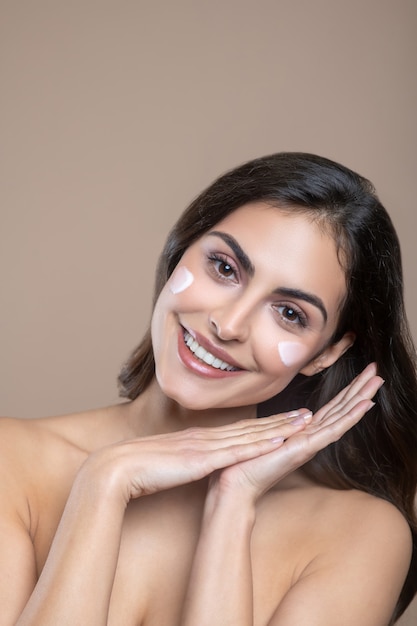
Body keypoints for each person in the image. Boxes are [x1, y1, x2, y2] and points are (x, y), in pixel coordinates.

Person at [1, 152, 416, 626]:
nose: (228, 324)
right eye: (224, 267)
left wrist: (233, 504)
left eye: (289, 313)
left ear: (326, 353)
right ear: (180, 249)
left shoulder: (358, 533)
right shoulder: (10, 460)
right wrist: (104, 482)